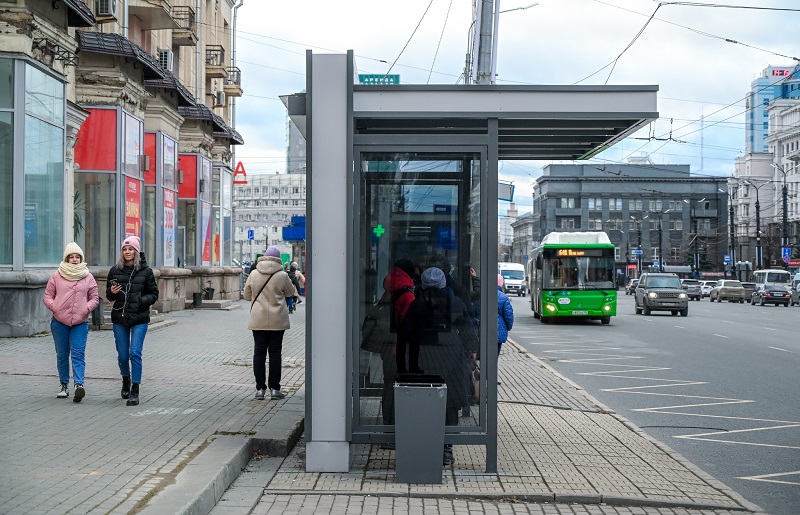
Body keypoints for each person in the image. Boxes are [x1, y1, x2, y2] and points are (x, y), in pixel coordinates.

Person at [398, 267, 478, 465]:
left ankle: (426, 446)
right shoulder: (456, 303)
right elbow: (469, 332)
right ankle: (447, 449)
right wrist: (470, 352)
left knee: (425, 402)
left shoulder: (417, 306)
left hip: (424, 359)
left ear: (423, 286)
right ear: (444, 284)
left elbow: (405, 336)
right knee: (450, 405)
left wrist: (404, 364)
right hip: (452, 358)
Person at [43, 242, 100, 402]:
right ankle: (63, 385)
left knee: (78, 354)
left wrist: (85, 309)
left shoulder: (88, 277)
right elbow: (47, 296)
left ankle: (79, 385)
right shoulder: (56, 276)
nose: (74, 260)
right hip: (59, 322)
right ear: (66, 259)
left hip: (80, 323)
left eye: (77, 257)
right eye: (71, 257)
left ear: (81, 258)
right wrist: (55, 307)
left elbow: (94, 298)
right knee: (62, 355)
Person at [107, 236, 159, 406]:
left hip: (139, 318)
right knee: (123, 356)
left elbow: (153, 294)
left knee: (135, 353)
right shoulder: (115, 270)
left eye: (130, 249)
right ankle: (125, 379)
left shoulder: (146, 271)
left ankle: (135, 390)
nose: (127, 252)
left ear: (136, 252)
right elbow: (109, 296)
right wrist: (113, 292)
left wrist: (140, 300)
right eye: (124, 249)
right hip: (119, 317)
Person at [243, 246, 295, 400]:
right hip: (277, 320)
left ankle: (260, 389)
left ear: (264, 257)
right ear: (278, 259)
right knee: (275, 354)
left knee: (259, 353)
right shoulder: (282, 275)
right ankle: (274, 389)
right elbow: (291, 293)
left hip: (258, 319)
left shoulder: (253, 274)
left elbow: (246, 296)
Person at [377, 258, 417, 425]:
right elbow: (408, 325)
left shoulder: (389, 290)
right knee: (399, 385)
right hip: (398, 349)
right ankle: (396, 425)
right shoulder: (407, 295)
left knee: (388, 384)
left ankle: (388, 422)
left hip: (386, 347)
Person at [496, 274, 514, 385]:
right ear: (501, 283)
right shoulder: (502, 297)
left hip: (482, 332)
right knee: (494, 356)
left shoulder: (482, 294)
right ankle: (492, 376)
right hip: (498, 332)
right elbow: (509, 316)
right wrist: (508, 327)